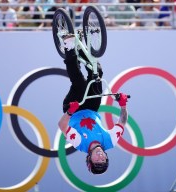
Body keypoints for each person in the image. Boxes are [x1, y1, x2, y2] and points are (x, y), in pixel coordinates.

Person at [57, 34, 129, 174]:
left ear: (89, 158)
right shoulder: (110, 141)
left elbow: (62, 126)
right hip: (92, 108)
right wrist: (123, 104)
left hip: (73, 109)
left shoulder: (79, 143)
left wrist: (70, 111)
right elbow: (122, 121)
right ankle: (81, 46)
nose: (100, 156)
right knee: (97, 73)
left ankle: (69, 47)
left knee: (79, 83)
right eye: (103, 159)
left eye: (97, 160)